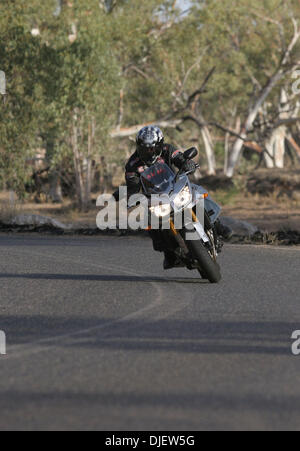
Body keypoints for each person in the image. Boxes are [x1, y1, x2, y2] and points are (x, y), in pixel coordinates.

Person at [113, 125, 232, 269]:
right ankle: (169, 252)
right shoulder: (132, 165)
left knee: (197, 191)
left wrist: (188, 163)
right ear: (138, 147)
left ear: (160, 145)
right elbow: (133, 185)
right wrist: (131, 196)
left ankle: (217, 224)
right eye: (145, 148)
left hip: (174, 185)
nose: (149, 152)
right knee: (150, 221)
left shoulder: (167, 149)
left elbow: (181, 159)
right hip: (154, 197)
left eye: (153, 148)